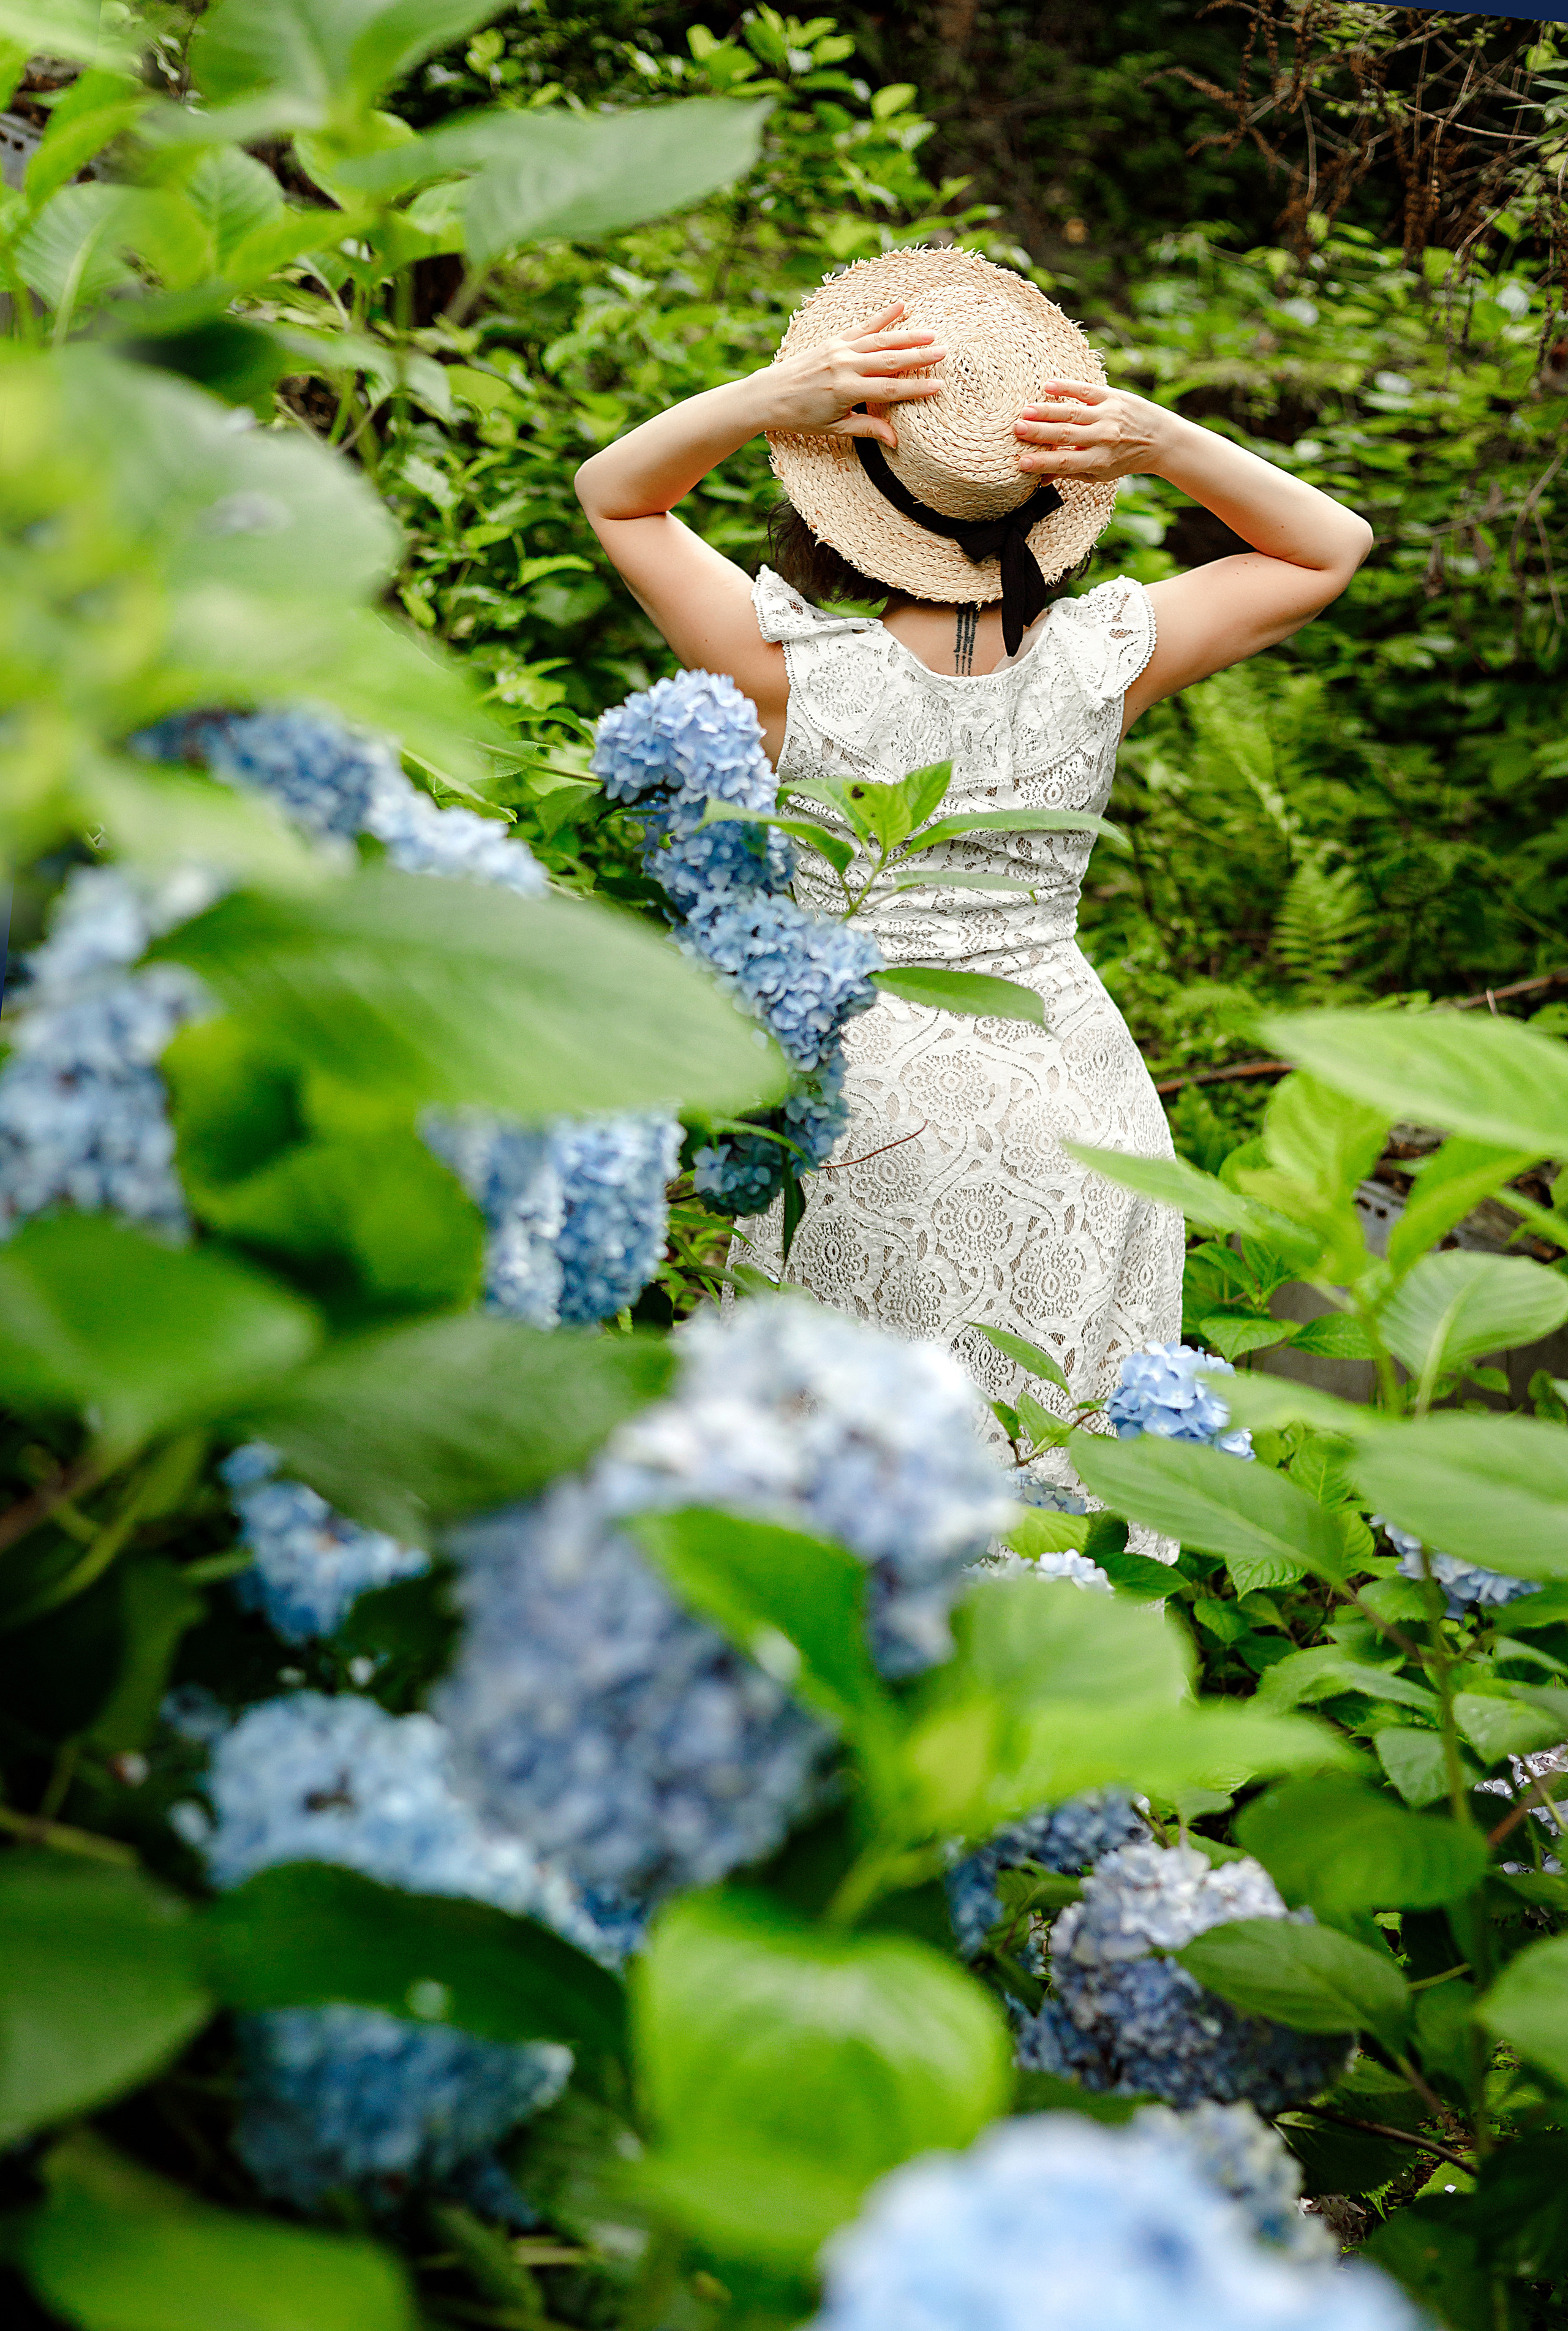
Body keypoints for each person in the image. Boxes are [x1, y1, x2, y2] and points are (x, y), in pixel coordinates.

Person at [575, 247, 1371, 1499]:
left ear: (840, 484)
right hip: (1072, 1097)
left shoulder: (791, 673)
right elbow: (1328, 547)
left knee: (826, 1478)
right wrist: (1159, 440)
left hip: (864, 1105)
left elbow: (615, 494)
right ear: (1047, 500)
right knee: (1052, 1470)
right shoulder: (1100, 659)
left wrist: (766, 399)